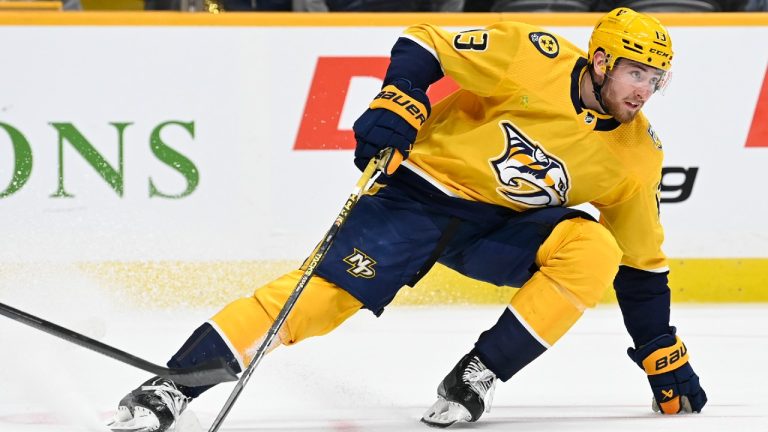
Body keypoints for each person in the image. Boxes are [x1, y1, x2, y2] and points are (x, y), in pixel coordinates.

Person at [108, 7, 707, 431]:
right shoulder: (533, 58)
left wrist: (660, 351)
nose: (644, 91)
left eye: (655, 81)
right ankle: (175, 384)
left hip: (499, 229)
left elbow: (641, 263)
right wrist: (400, 98)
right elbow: (426, 41)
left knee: (595, 248)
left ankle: (477, 375)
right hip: (419, 196)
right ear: (600, 61)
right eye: (635, 73)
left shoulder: (636, 154)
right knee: (317, 303)